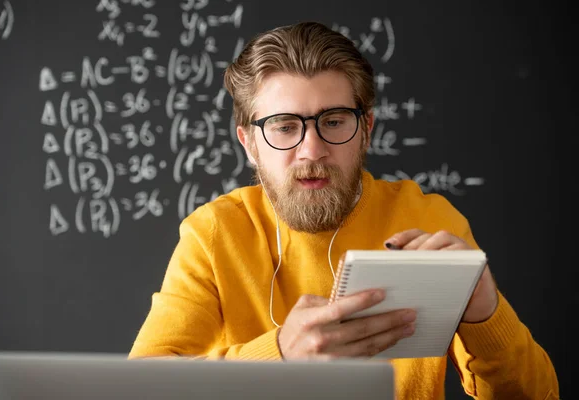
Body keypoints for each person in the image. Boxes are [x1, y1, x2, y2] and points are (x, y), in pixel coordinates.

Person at [128, 21, 559, 399]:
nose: (311, 150)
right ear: (249, 143)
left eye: (333, 121)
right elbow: (139, 389)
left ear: (366, 129)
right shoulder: (212, 234)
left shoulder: (427, 221)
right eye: (284, 127)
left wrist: (486, 312)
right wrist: (280, 355)